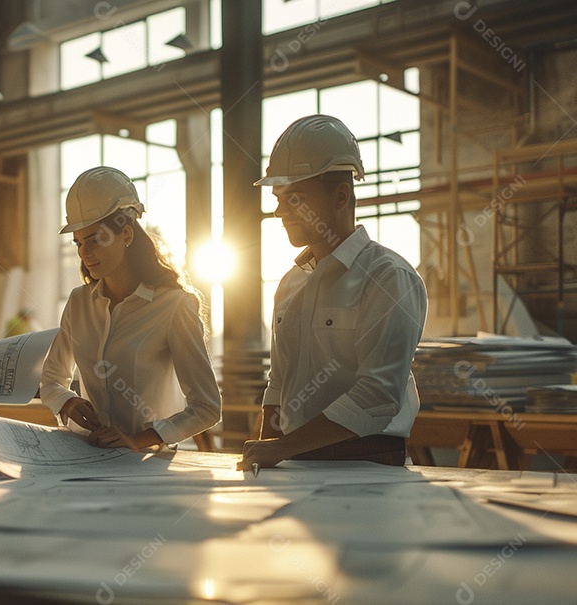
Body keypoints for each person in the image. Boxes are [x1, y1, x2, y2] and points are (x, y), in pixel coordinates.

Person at [238, 114, 427, 472]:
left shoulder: (388, 278)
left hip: (366, 464)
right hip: (293, 459)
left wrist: (282, 448)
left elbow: (377, 395)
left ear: (341, 196)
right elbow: (279, 383)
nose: (279, 212)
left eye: (294, 198)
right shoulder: (290, 284)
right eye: (278, 198)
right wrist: (266, 454)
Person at [41, 166, 222, 450]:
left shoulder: (174, 306)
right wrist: (68, 402)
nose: (84, 252)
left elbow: (207, 407)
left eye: (95, 239)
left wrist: (138, 441)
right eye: (78, 242)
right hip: (87, 455)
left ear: (126, 235)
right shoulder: (78, 303)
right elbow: (51, 380)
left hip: (147, 464)